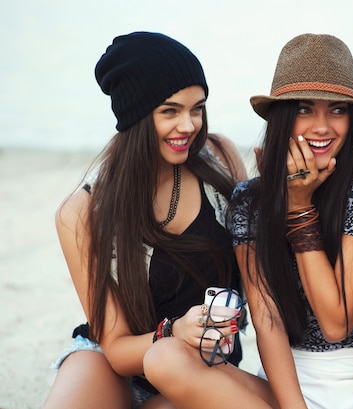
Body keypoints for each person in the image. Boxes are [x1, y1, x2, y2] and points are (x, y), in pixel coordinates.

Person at [43, 31, 270, 408]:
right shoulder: (81, 212)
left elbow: (263, 271)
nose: (189, 125)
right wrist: (174, 331)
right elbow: (114, 348)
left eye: (197, 108)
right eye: (170, 111)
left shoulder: (220, 159)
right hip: (115, 366)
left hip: (197, 369)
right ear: (135, 116)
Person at [219, 33, 353, 409]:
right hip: (287, 383)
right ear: (281, 118)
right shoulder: (250, 199)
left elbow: (336, 323)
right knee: (169, 364)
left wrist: (300, 210)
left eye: (337, 110)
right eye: (303, 109)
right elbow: (266, 320)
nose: (321, 127)